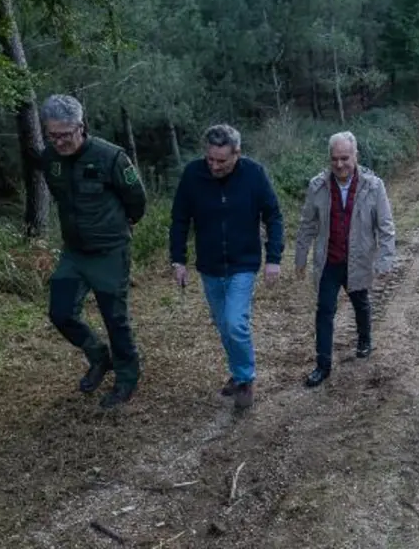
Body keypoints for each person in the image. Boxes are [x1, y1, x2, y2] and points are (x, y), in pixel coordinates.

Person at [37, 94, 147, 409]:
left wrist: (124, 225)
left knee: (115, 318)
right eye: (53, 135)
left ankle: (127, 378)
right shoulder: (51, 159)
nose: (59, 142)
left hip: (110, 251)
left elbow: (136, 199)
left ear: (81, 127)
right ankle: (100, 357)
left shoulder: (110, 157)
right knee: (60, 312)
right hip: (74, 253)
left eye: (65, 135)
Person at [169, 124, 284, 409]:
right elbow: (180, 219)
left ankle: (246, 379)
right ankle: (237, 372)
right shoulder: (193, 175)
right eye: (210, 159)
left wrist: (273, 258)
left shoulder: (254, 174)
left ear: (237, 153)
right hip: (209, 266)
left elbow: (274, 215)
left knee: (235, 323)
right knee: (224, 326)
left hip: (243, 263)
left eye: (221, 160)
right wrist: (178, 259)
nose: (214, 166)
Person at [295, 131, 397, 387]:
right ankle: (323, 364)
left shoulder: (374, 186)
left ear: (355, 156)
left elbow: (385, 225)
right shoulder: (317, 186)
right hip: (329, 260)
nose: (339, 165)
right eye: (334, 159)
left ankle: (364, 338)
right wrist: (300, 257)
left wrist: (385, 258)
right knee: (324, 311)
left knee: (360, 302)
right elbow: (307, 224)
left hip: (359, 259)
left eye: (344, 158)